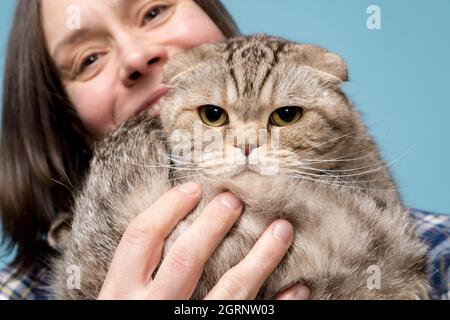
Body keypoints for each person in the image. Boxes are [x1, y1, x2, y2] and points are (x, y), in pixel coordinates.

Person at [0, 0, 448, 300]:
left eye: (154, 9)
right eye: (88, 59)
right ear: (63, 115)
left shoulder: (439, 249)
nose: (137, 57)